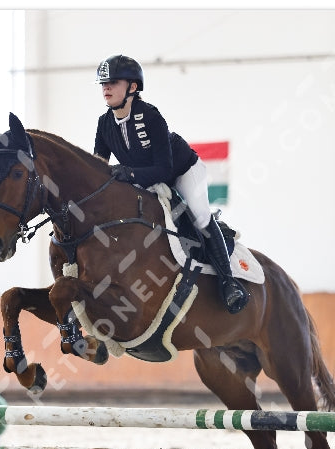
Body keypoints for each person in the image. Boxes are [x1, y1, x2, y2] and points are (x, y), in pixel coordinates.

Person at [93, 54, 248, 314]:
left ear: (132, 87)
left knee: (199, 217)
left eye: (113, 82)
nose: (106, 88)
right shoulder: (104, 123)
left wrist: (128, 175)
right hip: (145, 178)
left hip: (183, 171)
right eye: (103, 83)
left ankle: (228, 282)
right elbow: (99, 166)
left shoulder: (151, 116)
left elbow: (163, 169)